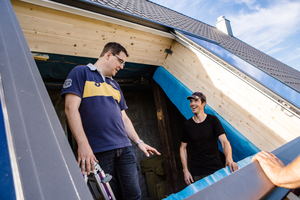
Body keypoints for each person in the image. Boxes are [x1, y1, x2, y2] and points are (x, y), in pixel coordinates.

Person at [61, 42, 160, 200]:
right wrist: (83, 144)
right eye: (121, 61)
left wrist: (139, 141)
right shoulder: (81, 72)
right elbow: (70, 109)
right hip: (99, 151)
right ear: (108, 55)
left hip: (125, 149)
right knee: (111, 197)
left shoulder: (114, 85)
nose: (122, 66)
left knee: (134, 196)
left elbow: (124, 118)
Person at [180, 92, 238, 185]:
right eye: (191, 101)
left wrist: (229, 159)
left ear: (203, 104)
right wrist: (185, 171)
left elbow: (224, 142)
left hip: (216, 168)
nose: (192, 103)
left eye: (196, 101)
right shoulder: (187, 125)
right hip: (197, 172)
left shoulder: (213, 120)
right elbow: (182, 148)